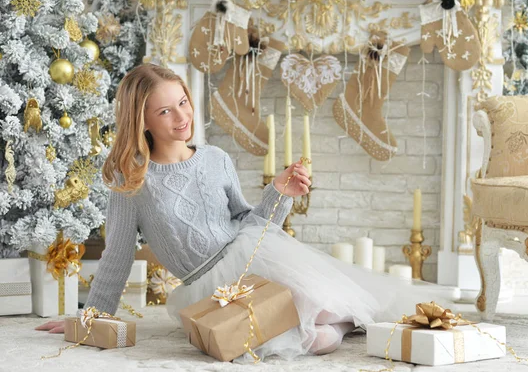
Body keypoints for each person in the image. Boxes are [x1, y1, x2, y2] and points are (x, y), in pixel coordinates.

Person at [36, 63, 445, 361]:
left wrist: (279, 192)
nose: (181, 117)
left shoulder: (215, 158)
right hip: (208, 287)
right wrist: (90, 317)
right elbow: (117, 256)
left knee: (328, 305)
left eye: (182, 102)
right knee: (318, 339)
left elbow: (252, 222)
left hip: (254, 257)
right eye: (165, 111)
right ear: (141, 120)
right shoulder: (133, 183)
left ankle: (348, 319)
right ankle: (343, 326)